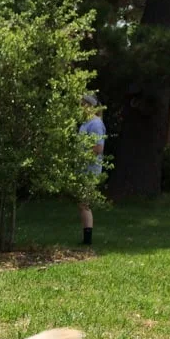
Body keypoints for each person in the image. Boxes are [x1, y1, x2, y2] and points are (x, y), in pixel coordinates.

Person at [78, 93, 106, 246]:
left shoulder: (95, 124)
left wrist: (81, 155)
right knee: (82, 204)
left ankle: (87, 239)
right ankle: (86, 237)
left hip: (90, 170)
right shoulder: (86, 123)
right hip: (83, 169)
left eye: (82, 105)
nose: (80, 108)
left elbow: (98, 147)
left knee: (84, 204)